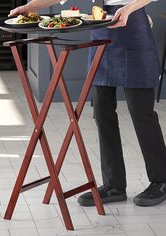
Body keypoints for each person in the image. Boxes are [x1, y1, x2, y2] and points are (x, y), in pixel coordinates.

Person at [10, 0, 166, 207]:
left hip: (133, 28)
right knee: (102, 112)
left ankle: (161, 180)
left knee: (141, 113)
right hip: (100, 29)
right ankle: (114, 185)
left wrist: (130, 8)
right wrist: (30, 7)